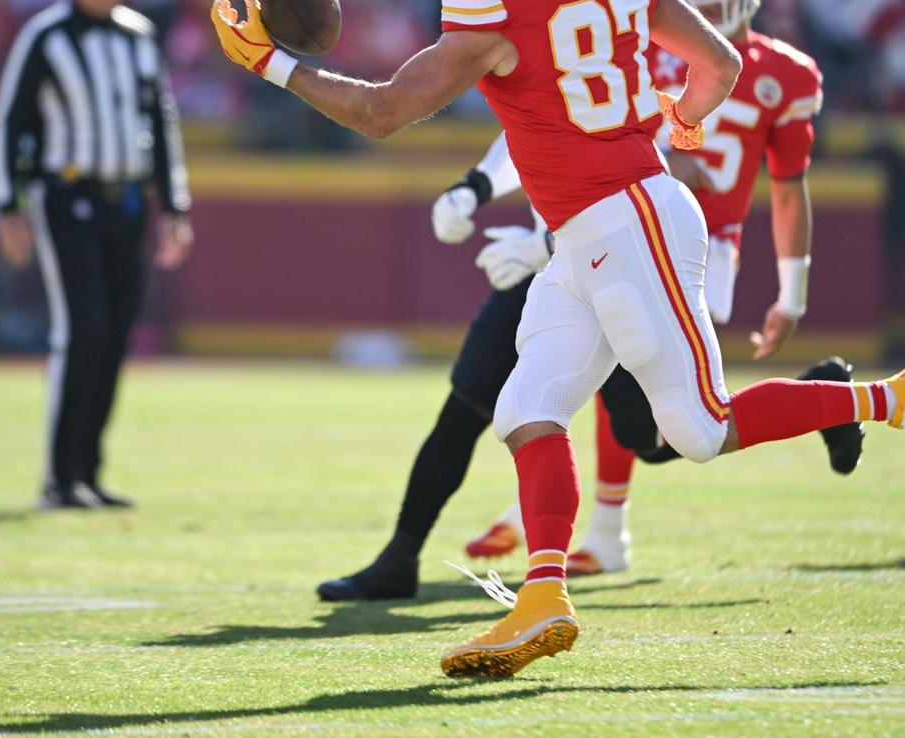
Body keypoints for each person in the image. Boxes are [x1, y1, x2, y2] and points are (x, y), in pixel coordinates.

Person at [211, 0, 905, 679]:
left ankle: (900, 395)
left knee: (701, 430)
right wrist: (679, 123)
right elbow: (719, 65)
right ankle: (542, 599)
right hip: (594, 232)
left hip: (629, 225)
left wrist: (273, 66)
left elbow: (383, 112)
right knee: (527, 408)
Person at [464, 0, 861, 576]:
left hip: (693, 242)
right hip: (628, 222)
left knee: (669, 418)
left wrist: (791, 294)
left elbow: (789, 188)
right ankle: (589, 526)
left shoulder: (786, 74)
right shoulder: (637, 38)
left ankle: (594, 526)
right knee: (640, 405)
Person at [311, 129, 857, 602]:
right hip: (549, 274)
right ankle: (400, 558)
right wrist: (476, 186)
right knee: (465, 408)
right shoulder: (548, 54)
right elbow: (523, 127)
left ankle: (821, 396)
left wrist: (542, 242)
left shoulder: (635, 66)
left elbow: (664, 172)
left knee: (661, 437)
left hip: (615, 272)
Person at [0, 0, 194, 510]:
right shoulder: (46, 36)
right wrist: (8, 204)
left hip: (126, 201)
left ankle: (88, 472)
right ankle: (60, 476)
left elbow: (161, 124)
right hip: (67, 198)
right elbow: (10, 121)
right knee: (83, 330)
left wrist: (173, 203)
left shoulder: (139, 35)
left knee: (116, 333)